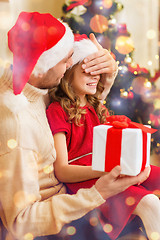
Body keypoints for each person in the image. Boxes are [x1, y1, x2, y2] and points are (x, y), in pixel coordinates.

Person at [0, 11, 150, 240]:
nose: (71, 65)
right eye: (65, 60)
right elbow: (22, 223)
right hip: (60, 222)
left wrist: (107, 73)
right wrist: (97, 193)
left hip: (75, 199)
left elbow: (77, 105)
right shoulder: (17, 127)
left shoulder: (39, 87)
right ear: (43, 66)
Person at [47, 34, 160, 240]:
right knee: (149, 204)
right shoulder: (58, 110)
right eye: (88, 72)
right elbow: (62, 171)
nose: (96, 77)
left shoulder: (94, 105)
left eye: (98, 73)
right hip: (88, 179)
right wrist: (106, 171)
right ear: (68, 72)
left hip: (108, 168)